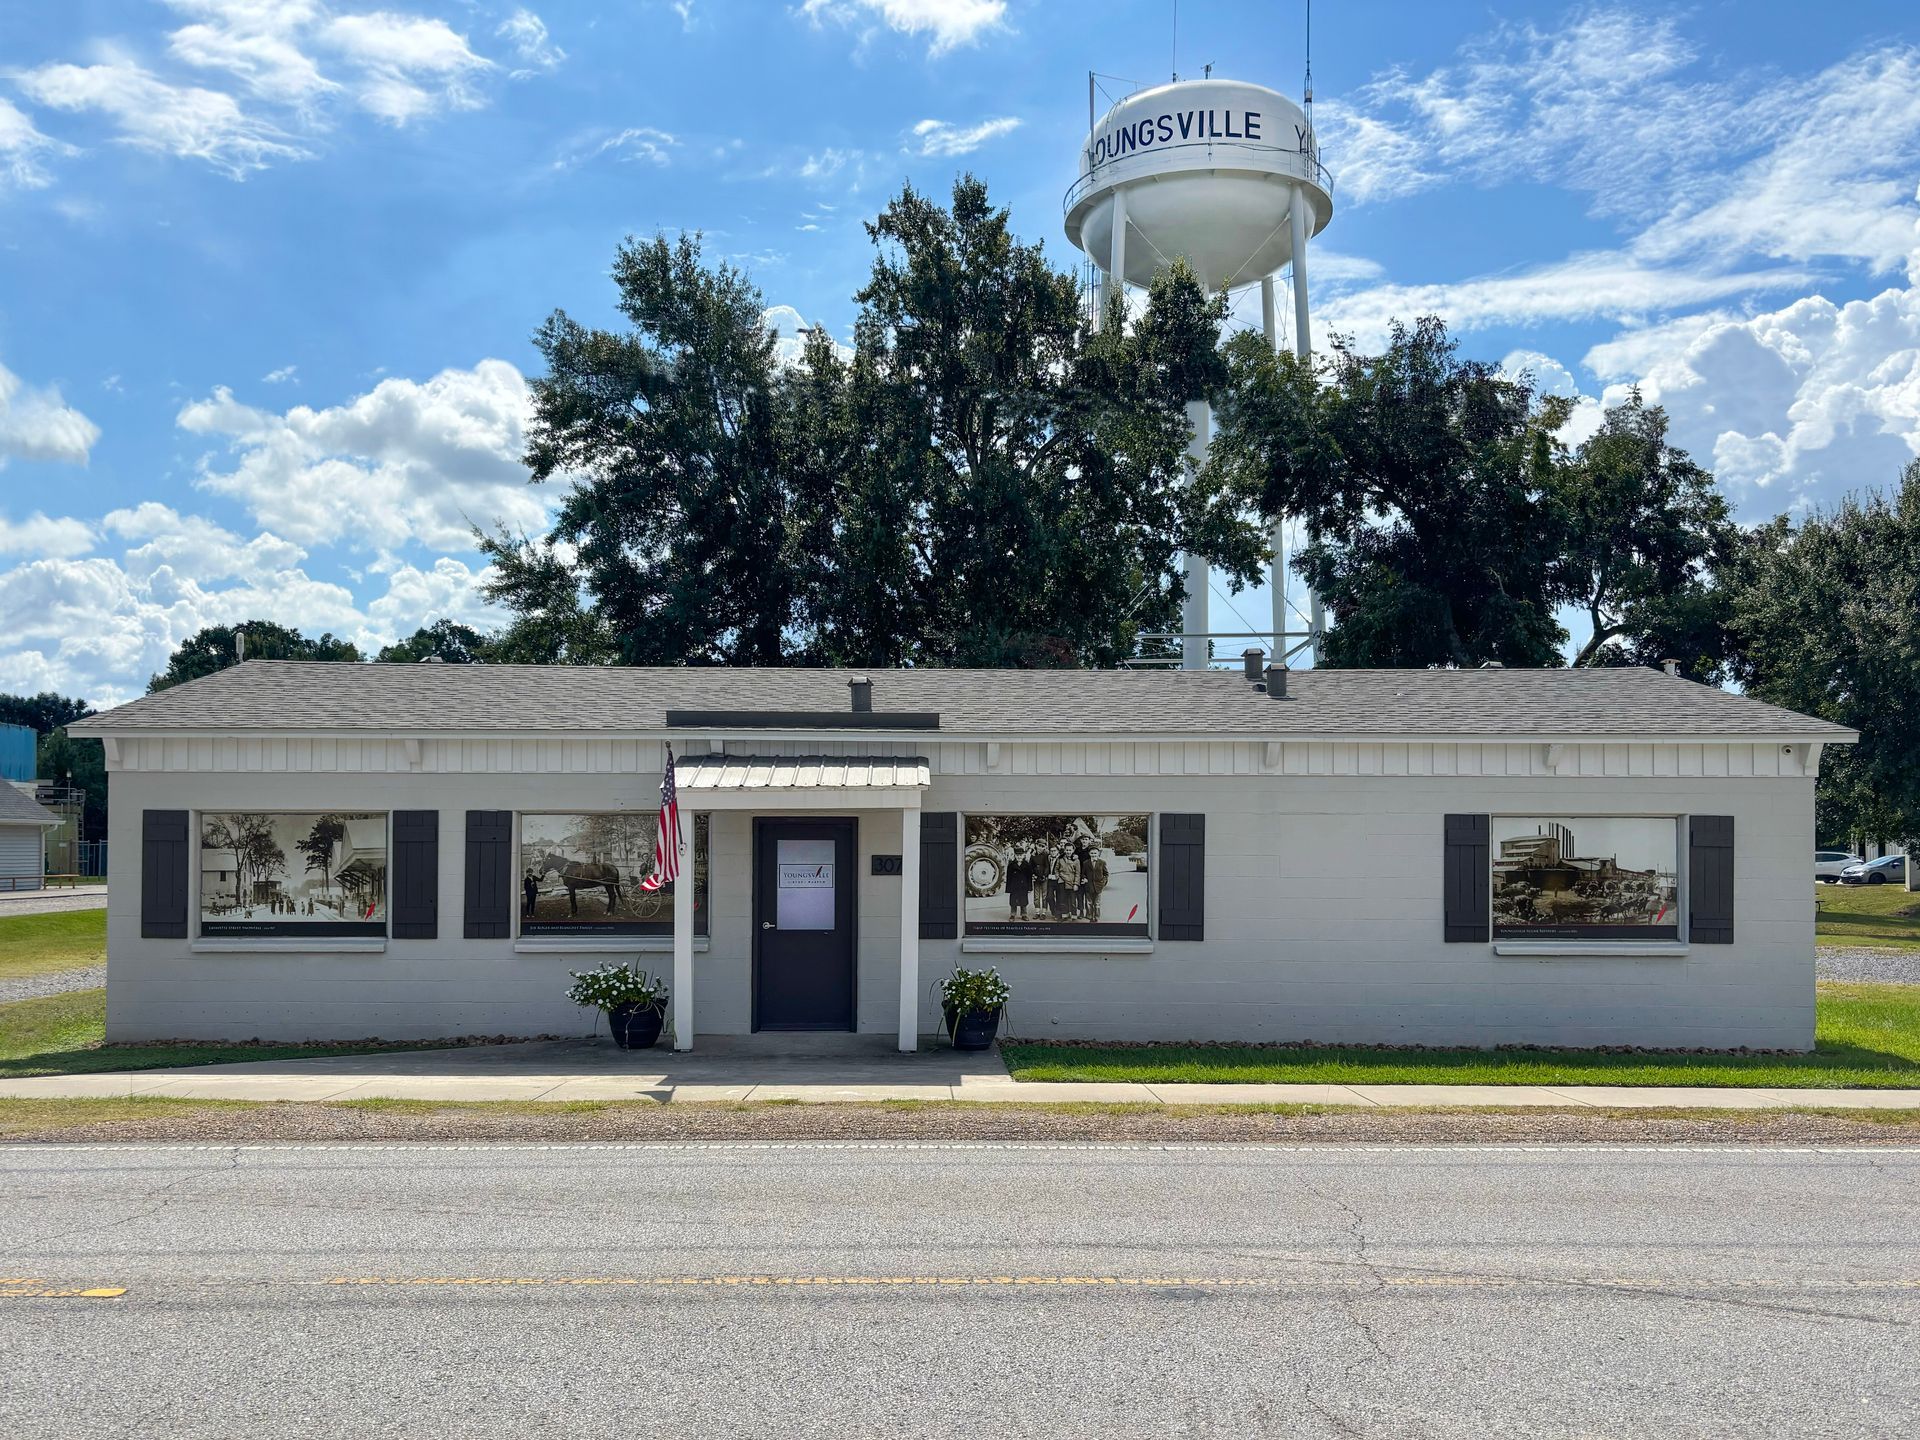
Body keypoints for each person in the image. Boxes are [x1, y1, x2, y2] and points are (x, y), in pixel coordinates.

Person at [1006, 847, 1033, 922]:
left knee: (1023, 900)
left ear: (1024, 855)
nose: (1019, 857)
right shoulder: (1011, 865)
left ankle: (1024, 914)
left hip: (1023, 886)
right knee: (1013, 901)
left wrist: (1029, 888)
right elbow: (1008, 877)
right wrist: (1008, 888)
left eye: (1021, 855)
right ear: (1015, 855)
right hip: (1014, 886)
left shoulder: (1027, 865)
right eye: (1017, 855)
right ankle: (1012, 914)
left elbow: (1029, 877)